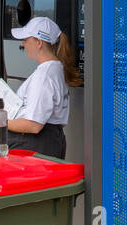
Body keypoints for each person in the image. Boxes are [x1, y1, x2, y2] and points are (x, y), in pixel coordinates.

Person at [6, 16, 81, 159]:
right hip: (48, 142)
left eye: (26, 39)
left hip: (33, 145)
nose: (23, 44)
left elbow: (33, 125)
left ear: (39, 42)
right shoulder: (56, 68)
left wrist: (0, 121)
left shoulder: (44, 75)